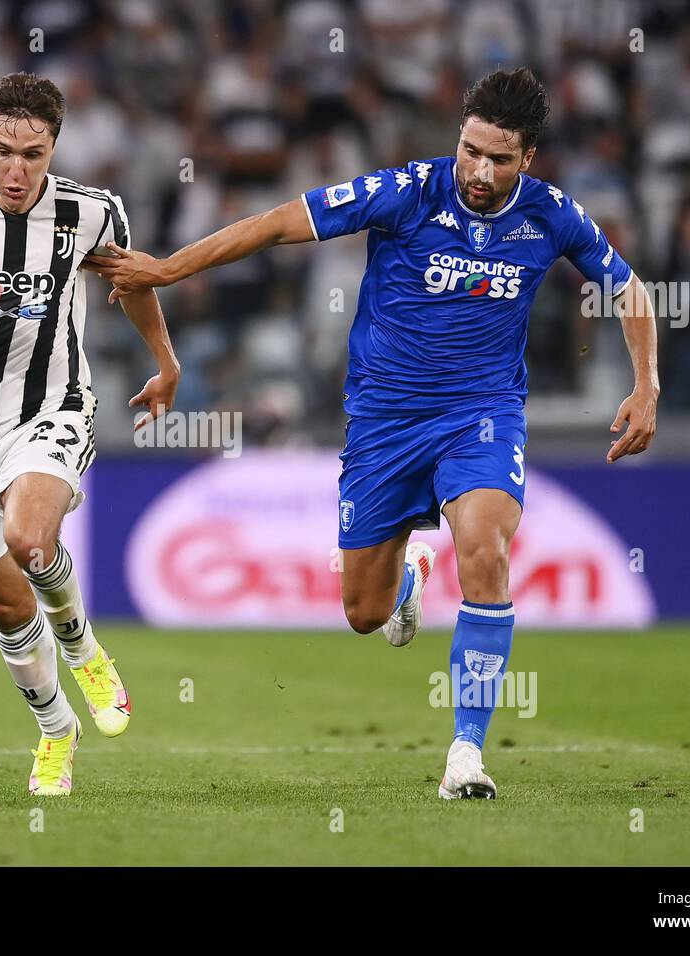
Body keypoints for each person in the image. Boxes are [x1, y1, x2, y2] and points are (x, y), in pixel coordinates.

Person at [84, 67, 659, 800]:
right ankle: (412, 574)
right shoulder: (408, 192)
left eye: (500, 158)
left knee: (485, 551)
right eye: (471, 150)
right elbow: (275, 224)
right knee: (363, 612)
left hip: (480, 415)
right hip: (385, 424)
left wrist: (646, 384)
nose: (480, 171)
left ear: (529, 158)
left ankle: (465, 755)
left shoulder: (551, 216)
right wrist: (168, 269)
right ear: (459, 136)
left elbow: (630, 288)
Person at [0, 72, 180, 796]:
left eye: (34, 154)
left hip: (55, 406)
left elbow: (132, 284)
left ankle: (84, 649)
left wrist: (166, 364)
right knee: (9, 606)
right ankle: (56, 731)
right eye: (3, 150)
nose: (16, 170)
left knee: (31, 539)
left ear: (55, 148)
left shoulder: (93, 213)